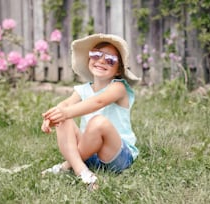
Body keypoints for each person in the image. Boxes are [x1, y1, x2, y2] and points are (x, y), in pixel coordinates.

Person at [41, 33, 140, 189]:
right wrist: (52, 116)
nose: (101, 61)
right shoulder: (82, 89)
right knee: (63, 116)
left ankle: (68, 165)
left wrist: (65, 112)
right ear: (89, 59)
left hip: (116, 155)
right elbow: (65, 104)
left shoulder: (118, 87)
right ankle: (83, 173)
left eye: (110, 60)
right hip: (89, 153)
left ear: (119, 70)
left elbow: (98, 102)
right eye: (96, 55)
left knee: (98, 122)